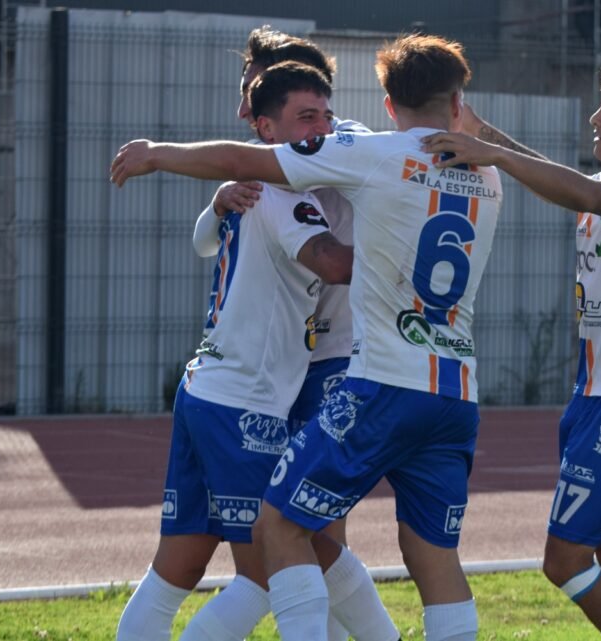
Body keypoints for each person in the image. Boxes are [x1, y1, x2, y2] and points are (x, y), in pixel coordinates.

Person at [111, 33, 502, 641]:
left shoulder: (352, 151)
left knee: (286, 536)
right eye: (253, 91)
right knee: (354, 551)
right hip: (434, 384)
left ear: (378, 103)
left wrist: (161, 155)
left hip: (342, 371)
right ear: (455, 103)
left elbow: (316, 241)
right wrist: (216, 206)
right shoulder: (485, 173)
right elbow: (216, 231)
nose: (246, 110)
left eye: (311, 109)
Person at [422, 58, 601, 641]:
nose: (596, 119)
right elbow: (565, 180)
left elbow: (575, 189)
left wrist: (494, 155)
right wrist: (488, 134)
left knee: (564, 561)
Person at [116, 62, 396, 641]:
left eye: (325, 114)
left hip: (205, 389)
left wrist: (218, 203)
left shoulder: (272, 173)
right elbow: (337, 265)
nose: (318, 128)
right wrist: (412, 238)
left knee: (180, 567)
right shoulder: (279, 189)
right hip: (245, 404)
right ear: (266, 128)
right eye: (304, 118)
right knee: (280, 562)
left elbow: (204, 242)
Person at [192, 26, 383, 641]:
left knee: (309, 531)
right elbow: (203, 241)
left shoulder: (341, 142)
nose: (244, 107)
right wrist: (219, 200)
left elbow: (336, 259)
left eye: (255, 91)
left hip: (329, 358)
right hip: (277, 370)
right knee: (296, 535)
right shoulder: (264, 175)